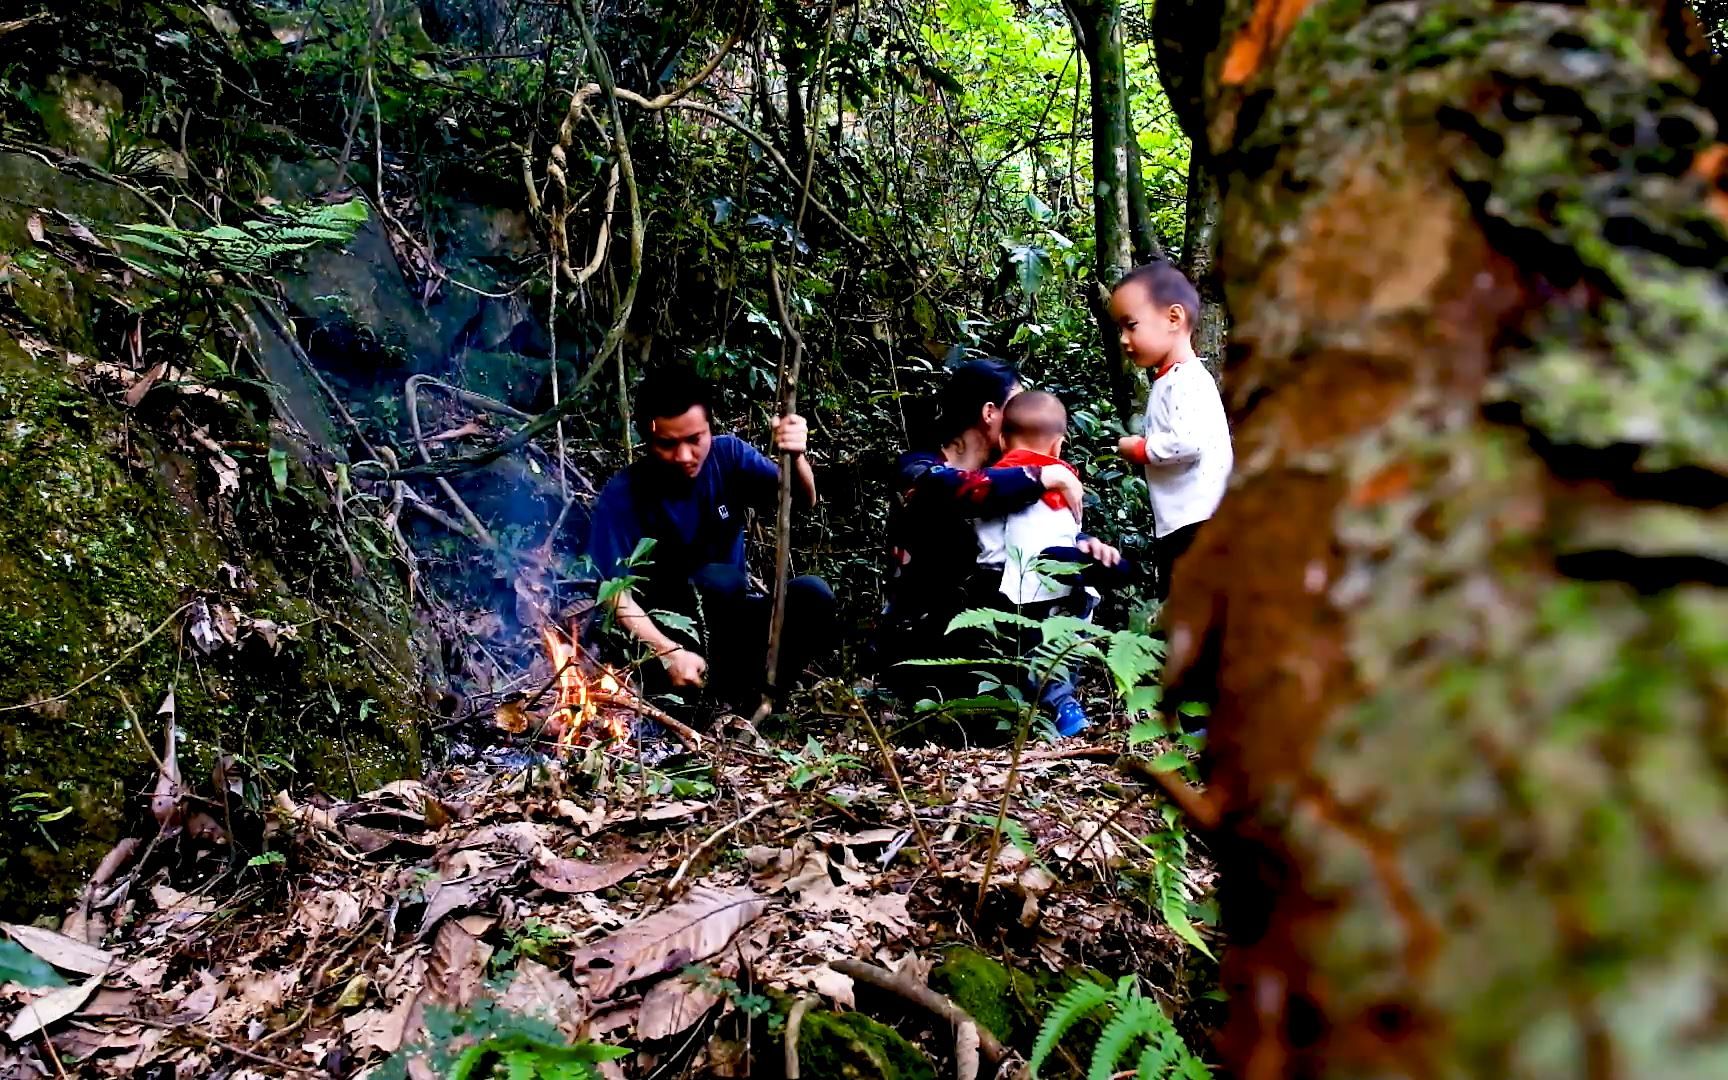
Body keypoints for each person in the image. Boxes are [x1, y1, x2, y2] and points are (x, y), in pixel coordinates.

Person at [880, 358, 1120, 714]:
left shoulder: (1009, 479)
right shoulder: (919, 465)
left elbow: (1038, 532)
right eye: (1016, 404)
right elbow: (947, 489)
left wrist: (1085, 546)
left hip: (997, 639)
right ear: (990, 413)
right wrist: (1045, 476)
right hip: (927, 643)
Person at [586, 367, 835, 708]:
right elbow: (615, 593)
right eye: (668, 444)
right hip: (670, 639)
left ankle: (759, 701)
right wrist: (667, 652)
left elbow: (802, 500)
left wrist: (796, 455)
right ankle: (698, 703)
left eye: (695, 439)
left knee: (811, 596)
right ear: (647, 437)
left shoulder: (728, 457)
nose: (685, 456)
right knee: (717, 580)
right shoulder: (624, 494)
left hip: (734, 627)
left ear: (710, 429)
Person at [979, 390, 1135, 736]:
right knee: (1056, 650)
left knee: (1050, 648)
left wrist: (1088, 545)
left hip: (1042, 580)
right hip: (1039, 583)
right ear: (1057, 446)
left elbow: (992, 543)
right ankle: (1060, 708)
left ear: (1003, 440)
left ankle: (1052, 709)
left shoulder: (1002, 483)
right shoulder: (1050, 481)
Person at [1110, 261, 1232, 600]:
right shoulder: (1170, 381)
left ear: (1173, 319)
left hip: (1198, 522)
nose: (1123, 339)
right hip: (1183, 522)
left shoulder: (1187, 381)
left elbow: (1187, 443)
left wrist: (1139, 449)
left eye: (1130, 325)